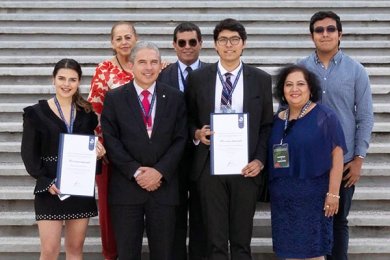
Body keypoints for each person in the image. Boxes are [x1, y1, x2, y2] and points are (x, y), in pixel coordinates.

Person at [186, 18, 273, 259]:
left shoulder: (261, 79)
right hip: (209, 168)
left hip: (246, 169)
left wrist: (259, 160)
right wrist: (196, 133)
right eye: (223, 40)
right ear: (214, 45)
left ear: (243, 44)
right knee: (214, 241)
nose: (229, 45)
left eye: (235, 40)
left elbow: (267, 125)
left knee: (241, 241)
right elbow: (188, 118)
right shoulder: (198, 78)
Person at [101, 41, 187, 260]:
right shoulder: (114, 98)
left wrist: (159, 171)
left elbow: (180, 139)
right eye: (142, 62)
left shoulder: (176, 97)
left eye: (153, 62)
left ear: (160, 66)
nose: (148, 67)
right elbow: (111, 140)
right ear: (131, 66)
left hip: (164, 189)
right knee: (127, 254)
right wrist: (137, 172)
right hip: (127, 190)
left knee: (165, 254)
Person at [298, 11, 374, 260]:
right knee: (310, 220)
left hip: (344, 162)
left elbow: (365, 117)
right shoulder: (300, 70)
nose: (325, 34)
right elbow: (287, 112)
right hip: (309, 162)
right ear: (312, 36)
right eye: (319, 30)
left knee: (339, 220)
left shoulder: (356, 71)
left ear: (340, 34)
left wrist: (359, 158)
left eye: (331, 29)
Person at [21, 58, 106, 260]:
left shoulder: (87, 115)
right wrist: (46, 181)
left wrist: (98, 154)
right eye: (61, 78)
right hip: (50, 186)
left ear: (79, 82)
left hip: (78, 187)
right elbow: (28, 154)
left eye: (72, 79)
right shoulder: (35, 113)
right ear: (53, 79)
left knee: (75, 250)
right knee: (49, 251)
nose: (66, 84)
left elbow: (88, 149)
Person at [269, 65, 347, 259]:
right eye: (289, 85)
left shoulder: (325, 116)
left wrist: (334, 194)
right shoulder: (277, 120)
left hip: (314, 199)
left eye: (300, 84)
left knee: (313, 253)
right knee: (288, 254)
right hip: (283, 200)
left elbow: (337, 157)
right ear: (282, 90)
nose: (294, 89)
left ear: (310, 89)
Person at [88, 21, 138, 260]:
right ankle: (111, 253)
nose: (124, 42)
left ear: (136, 39)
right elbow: (94, 109)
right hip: (110, 150)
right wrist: (100, 145)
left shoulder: (149, 65)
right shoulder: (104, 69)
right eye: (118, 38)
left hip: (145, 149)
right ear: (112, 43)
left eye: (128, 37)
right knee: (108, 206)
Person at [158, 21, 207, 260]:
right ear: (174, 45)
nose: (187, 47)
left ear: (201, 43)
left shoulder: (213, 73)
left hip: (203, 157)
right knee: (174, 218)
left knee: (201, 217)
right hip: (172, 160)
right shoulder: (160, 75)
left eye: (192, 42)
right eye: (182, 42)